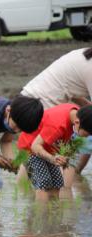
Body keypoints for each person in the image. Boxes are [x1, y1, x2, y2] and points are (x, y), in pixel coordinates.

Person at [19, 48, 92, 184]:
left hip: (44, 100)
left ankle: (69, 184)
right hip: (40, 104)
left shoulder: (85, 56)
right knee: (36, 157)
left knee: (49, 160)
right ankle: (29, 196)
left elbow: (72, 90)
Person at [17, 104, 92, 202]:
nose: (87, 137)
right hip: (30, 148)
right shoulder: (57, 124)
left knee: (58, 183)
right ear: (77, 123)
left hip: (47, 148)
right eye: (87, 134)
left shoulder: (78, 113)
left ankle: (53, 215)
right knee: (44, 184)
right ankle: (40, 216)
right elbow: (35, 146)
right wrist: (52, 159)